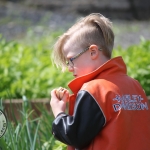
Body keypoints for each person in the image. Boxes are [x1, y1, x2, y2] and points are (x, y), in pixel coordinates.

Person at [50, 13, 150, 150]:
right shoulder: (134, 85)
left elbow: (75, 136)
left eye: (71, 60)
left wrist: (59, 113)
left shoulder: (94, 90)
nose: (69, 68)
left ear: (93, 52)